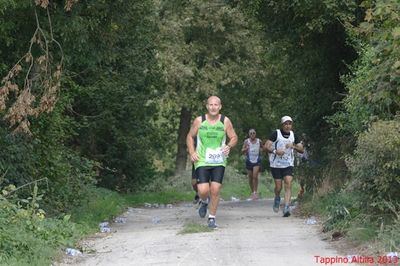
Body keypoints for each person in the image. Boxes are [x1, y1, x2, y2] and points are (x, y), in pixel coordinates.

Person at [186, 96, 238, 228]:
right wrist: (192, 152)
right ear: (207, 106)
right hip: (202, 160)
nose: (213, 107)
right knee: (203, 190)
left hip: (219, 161)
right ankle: (204, 201)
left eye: (216, 105)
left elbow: (234, 137)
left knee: (215, 189)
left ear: (220, 107)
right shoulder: (199, 121)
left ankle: (212, 218)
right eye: (211, 105)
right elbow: (190, 136)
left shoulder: (225, 121)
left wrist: (229, 146)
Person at [263, 116, 304, 217]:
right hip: (276, 164)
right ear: (282, 125)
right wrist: (275, 151)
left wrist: (293, 146)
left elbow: (301, 149)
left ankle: (286, 207)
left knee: (288, 183)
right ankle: (277, 197)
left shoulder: (294, 135)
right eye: (286, 124)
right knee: (278, 187)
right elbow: (265, 147)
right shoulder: (276, 134)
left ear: (291, 125)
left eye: (289, 123)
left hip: (288, 164)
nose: (288, 126)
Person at [241, 129, 262, 200]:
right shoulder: (246, 141)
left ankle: (255, 192)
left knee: (255, 176)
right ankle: (252, 191)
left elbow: (263, 148)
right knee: (250, 177)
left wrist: (261, 150)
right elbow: (242, 150)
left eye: (253, 133)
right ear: (249, 134)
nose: (252, 134)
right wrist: (246, 149)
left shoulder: (259, 141)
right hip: (249, 160)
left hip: (257, 160)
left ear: (255, 134)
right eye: (251, 133)